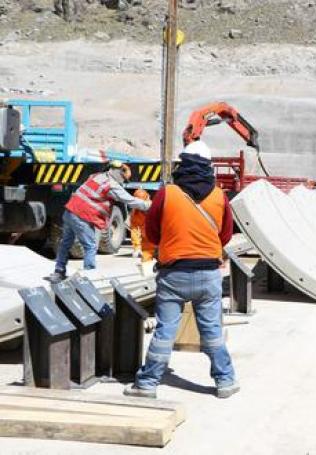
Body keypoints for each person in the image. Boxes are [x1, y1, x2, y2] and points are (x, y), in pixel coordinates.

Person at [125, 140, 238, 399]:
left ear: (182, 164)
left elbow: (152, 231)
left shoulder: (167, 193)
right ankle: (225, 381)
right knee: (212, 331)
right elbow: (225, 235)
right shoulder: (219, 195)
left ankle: (147, 384)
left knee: (165, 331)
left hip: (173, 274)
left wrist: (170, 243)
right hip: (208, 274)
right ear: (208, 166)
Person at [48, 161, 151, 282]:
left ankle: (59, 272)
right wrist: (149, 205)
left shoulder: (96, 176)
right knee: (90, 246)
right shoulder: (112, 185)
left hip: (69, 212)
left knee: (65, 243)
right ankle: (88, 277)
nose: (123, 181)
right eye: (124, 178)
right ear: (119, 173)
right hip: (82, 216)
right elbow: (130, 200)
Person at [130, 187, 155, 262]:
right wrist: (137, 247)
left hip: (158, 241)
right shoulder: (135, 213)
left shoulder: (155, 208)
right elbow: (134, 230)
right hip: (147, 243)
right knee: (146, 262)